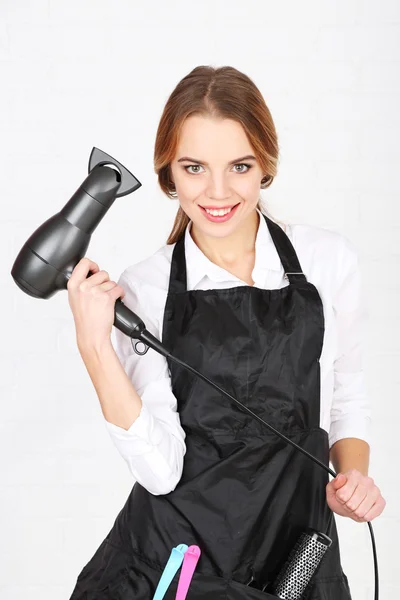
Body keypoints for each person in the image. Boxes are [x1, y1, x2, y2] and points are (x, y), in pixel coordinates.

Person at [67, 66, 385, 599]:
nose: (217, 192)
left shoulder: (327, 262)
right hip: (176, 566)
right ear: (169, 173)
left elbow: (346, 393)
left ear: (265, 166)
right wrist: (95, 346)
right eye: (194, 168)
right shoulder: (144, 288)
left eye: (239, 166)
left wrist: (354, 478)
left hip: (296, 561)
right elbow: (161, 471)